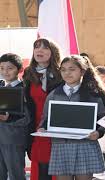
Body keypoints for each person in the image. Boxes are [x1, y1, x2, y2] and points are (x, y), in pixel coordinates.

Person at [38, 55, 105, 180]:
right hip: (61, 146)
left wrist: (98, 133)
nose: (67, 73)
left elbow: (103, 119)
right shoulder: (54, 94)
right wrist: (43, 128)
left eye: (72, 69)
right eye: (63, 69)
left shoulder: (93, 94)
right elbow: (45, 118)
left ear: (82, 71)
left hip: (85, 146)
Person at [23, 38, 63, 180]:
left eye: (45, 48)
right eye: (36, 47)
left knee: (56, 168)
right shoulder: (28, 73)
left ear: (53, 53)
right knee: (40, 166)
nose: (39, 50)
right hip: (36, 128)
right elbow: (26, 105)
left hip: (57, 129)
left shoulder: (61, 74)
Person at [0, 53, 30, 180]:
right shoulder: (0, 86)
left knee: (16, 174)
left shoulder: (24, 90)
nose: (5, 72)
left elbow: (28, 117)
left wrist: (10, 118)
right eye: (1, 68)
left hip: (13, 138)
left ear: (20, 70)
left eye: (10, 68)